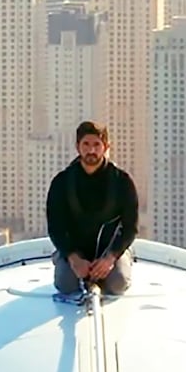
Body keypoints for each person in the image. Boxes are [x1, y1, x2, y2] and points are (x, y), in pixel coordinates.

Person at [46, 121, 139, 295]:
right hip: (74, 249)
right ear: (77, 147)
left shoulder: (122, 182)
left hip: (110, 249)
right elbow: (55, 227)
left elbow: (130, 227)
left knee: (117, 284)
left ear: (106, 147)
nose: (91, 150)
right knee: (65, 285)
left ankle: (122, 261)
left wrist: (110, 258)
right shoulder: (62, 182)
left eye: (97, 145)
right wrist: (74, 259)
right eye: (86, 144)